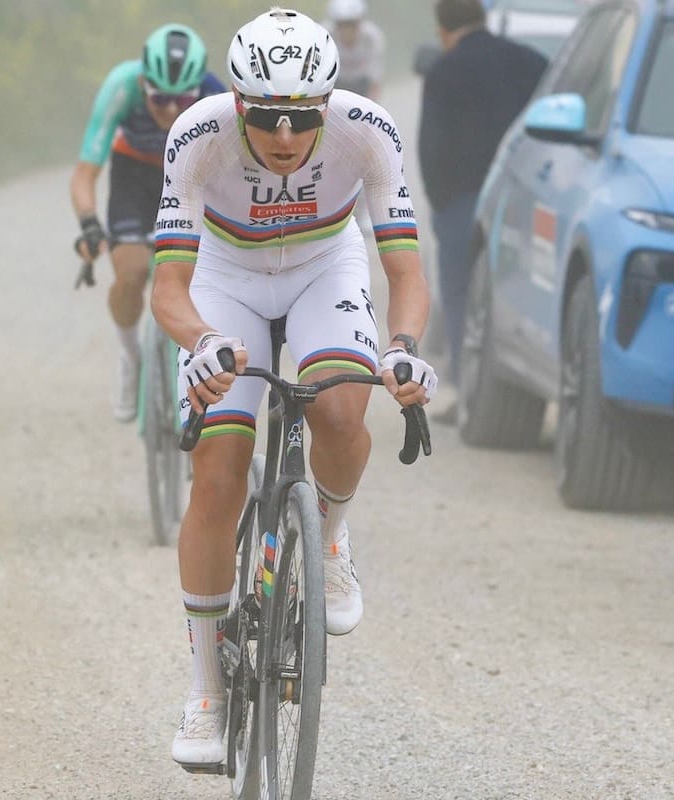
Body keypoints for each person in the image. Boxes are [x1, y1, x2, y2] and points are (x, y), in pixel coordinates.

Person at [152, 8, 437, 767]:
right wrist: (202, 342)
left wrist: (403, 350)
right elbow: (169, 287)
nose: (285, 135)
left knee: (346, 409)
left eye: (302, 117)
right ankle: (206, 692)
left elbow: (405, 271)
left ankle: (331, 533)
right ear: (239, 104)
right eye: (269, 116)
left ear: (327, 104)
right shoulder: (198, 135)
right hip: (226, 276)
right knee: (216, 474)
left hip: (323, 268)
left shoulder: (366, 129)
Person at [70, 24, 225, 423]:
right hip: (134, 177)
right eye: (159, 99)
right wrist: (89, 225)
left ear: (199, 88)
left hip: (189, 180)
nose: (171, 110)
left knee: (192, 282)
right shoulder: (121, 87)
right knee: (133, 271)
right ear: (143, 83)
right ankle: (130, 356)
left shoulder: (216, 94)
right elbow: (85, 171)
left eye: (182, 99)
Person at [418, 0, 546, 422]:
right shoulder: (531, 63)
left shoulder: (445, 70)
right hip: (522, 201)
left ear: (442, 29)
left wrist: (441, 206)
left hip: (463, 203)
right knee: (516, 291)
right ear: (483, 18)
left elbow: (431, 146)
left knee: (461, 296)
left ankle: (471, 396)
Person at [322, 0, 385, 100]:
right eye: (342, 25)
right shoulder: (324, 36)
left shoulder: (371, 37)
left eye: (351, 25)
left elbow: (375, 68)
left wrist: (373, 100)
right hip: (335, 83)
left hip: (361, 83)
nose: (347, 31)